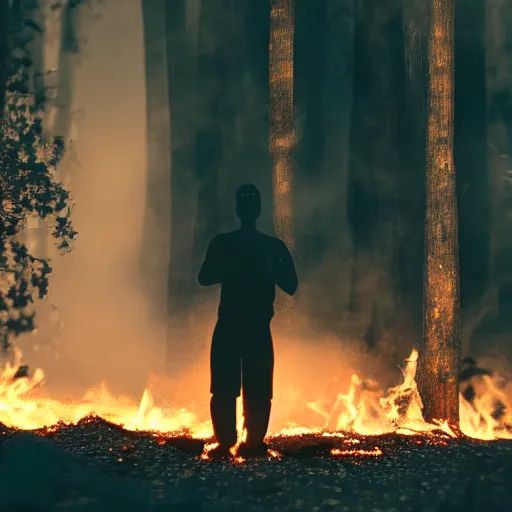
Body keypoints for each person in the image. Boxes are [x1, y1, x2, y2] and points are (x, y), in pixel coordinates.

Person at [198, 183, 298, 458]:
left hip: (238, 325)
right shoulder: (269, 247)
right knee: (244, 386)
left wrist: (240, 266)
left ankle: (237, 442)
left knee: (235, 387)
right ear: (257, 210)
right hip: (247, 326)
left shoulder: (228, 244)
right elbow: (291, 283)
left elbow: (205, 276)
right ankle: (243, 442)